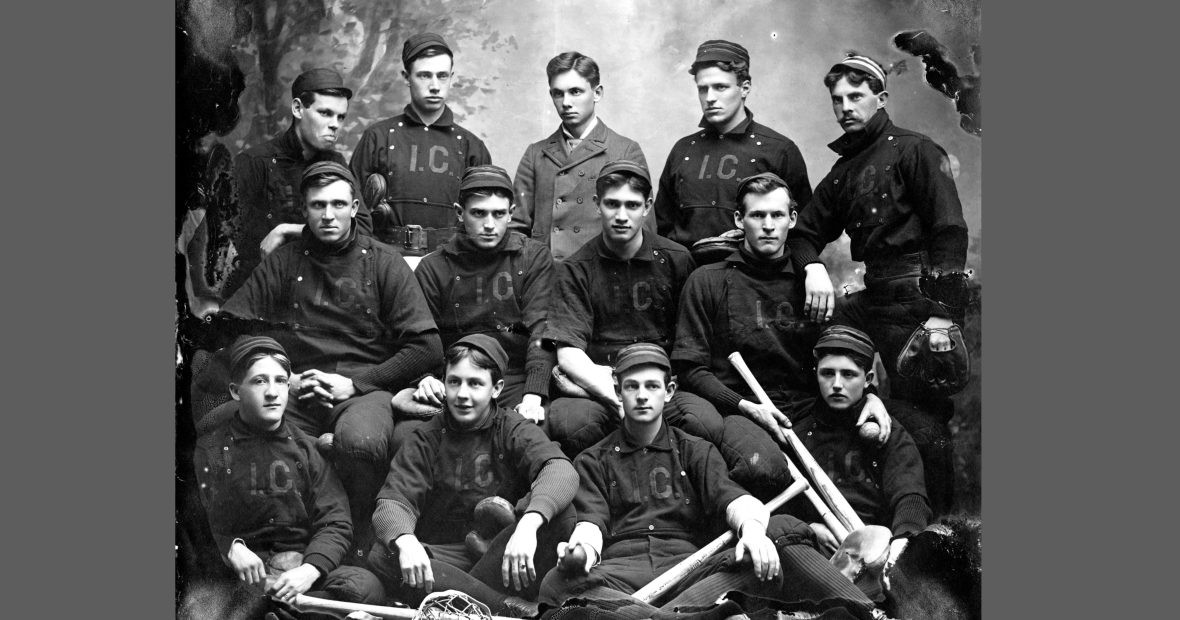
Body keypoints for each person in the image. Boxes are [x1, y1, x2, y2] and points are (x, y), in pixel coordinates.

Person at [537, 344, 876, 620]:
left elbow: (732, 500)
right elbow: (591, 523)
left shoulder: (694, 449)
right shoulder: (593, 459)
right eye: (632, 386)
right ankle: (682, 618)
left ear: (669, 392)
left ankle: (870, 613)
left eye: (652, 386)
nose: (642, 396)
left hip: (693, 569)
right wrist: (581, 553)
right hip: (622, 574)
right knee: (556, 584)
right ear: (617, 390)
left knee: (775, 541)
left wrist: (754, 533)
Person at [216, 161, 443, 562]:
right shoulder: (285, 261)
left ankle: (358, 546)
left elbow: (427, 348)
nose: (328, 215)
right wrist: (285, 377)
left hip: (362, 387)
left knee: (362, 442)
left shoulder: (384, 262)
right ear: (303, 210)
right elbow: (232, 327)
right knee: (249, 434)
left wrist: (358, 384)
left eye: (339, 204)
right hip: (297, 386)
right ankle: (282, 546)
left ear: (356, 207)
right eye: (317, 205)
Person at [786, 55, 971, 515]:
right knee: (814, 350)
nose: (846, 107)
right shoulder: (845, 171)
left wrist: (941, 316)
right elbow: (805, 232)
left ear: (881, 98)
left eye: (856, 96)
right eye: (838, 100)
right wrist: (812, 268)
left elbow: (949, 230)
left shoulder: (916, 150)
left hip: (921, 300)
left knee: (925, 423)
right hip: (874, 298)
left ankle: (936, 535)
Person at [672, 173, 892, 498]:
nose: (768, 225)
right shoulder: (707, 281)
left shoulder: (812, 285)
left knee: (894, 438)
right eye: (757, 215)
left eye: (777, 215)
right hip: (739, 410)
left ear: (792, 219)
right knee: (764, 469)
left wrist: (870, 394)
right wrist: (744, 406)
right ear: (739, 219)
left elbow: (839, 354)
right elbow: (691, 369)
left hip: (806, 409)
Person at [368, 336, 578, 618]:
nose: (462, 394)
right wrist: (405, 541)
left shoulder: (511, 428)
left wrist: (528, 524)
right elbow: (394, 499)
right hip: (448, 558)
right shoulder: (425, 437)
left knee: (562, 514)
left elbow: (559, 468)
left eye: (475, 383)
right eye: (454, 382)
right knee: (385, 554)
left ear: (496, 388)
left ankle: (461, 600)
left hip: (502, 551)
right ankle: (504, 606)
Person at [542, 161, 725, 459]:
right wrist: (615, 397)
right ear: (597, 204)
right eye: (612, 204)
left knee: (704, 423)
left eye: (632, 205)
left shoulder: (677, 259)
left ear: (648, 206)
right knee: (573, 425)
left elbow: (691, 344)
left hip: (663, 384)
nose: (622, 216)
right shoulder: (577, 268)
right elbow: (568, 352)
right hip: (602, 384)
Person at [193, 336, 385, 614]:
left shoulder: (306, 449)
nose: (273, 392)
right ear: (236, 391)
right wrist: (232, 548)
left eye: (280, 381)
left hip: (299, 574)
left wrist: (310, 569)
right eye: (260, 381)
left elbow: (335, 521)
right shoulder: (211, 450)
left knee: (366, 587)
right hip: (243, 575)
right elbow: (196, 519)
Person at [411, 165, 555, 421]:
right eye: (478, 213)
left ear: (511, 213)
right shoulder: (433, 267)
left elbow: (541, 329)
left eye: (498, 214)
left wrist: (533, 394)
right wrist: (426, 377)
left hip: (515, 379)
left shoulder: (533, 257)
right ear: (460, 213)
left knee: (529, 434)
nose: (489, 225)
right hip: (456, 382)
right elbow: (421, 336)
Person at [226, 68, 372, 299]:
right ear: (297, 109)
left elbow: (363, 228)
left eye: (340, 117)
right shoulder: (254, 163)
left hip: (322, 292)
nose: (335, 125)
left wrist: (288, 230)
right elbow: (221, 239)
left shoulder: (337, 163)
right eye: (325, 113)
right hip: (264, 291)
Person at [788, 326, 931, 557]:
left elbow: (910, 495)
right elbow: (781, 503)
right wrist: (807, 529)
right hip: (811, 548)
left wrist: (902, 545)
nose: (836, 384)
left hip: (877, 550)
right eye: (827, 373)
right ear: (816, 374)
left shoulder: (888, 431)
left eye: (848, 374)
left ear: (868, 379)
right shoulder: (797, 432)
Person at [654, 40, 812, 249]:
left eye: (720, 87)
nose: (710, 98)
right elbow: (661, 227)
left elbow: (801, 232)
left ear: (744, 88)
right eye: (703, 89)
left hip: (754, 275)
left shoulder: (779, 150)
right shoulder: (683, 150)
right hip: (687, 275)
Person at [350, 32, 493, 258]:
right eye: (424, 76)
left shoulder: (471, 147)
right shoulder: (377, 137)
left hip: (452, 262)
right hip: (387, 260)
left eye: (442, 76)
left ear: (451, 77)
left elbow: (487, 216)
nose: (435, 86)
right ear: (406, 77)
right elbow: (354, 209)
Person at [510, 51, 649, 262]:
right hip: (546, 276)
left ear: (597, 93)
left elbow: (644, 229)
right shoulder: (535, 154)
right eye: (558, 93)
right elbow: (516, 228)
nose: (566, 102)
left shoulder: (625, 150)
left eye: (575, 92)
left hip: (602, 273)